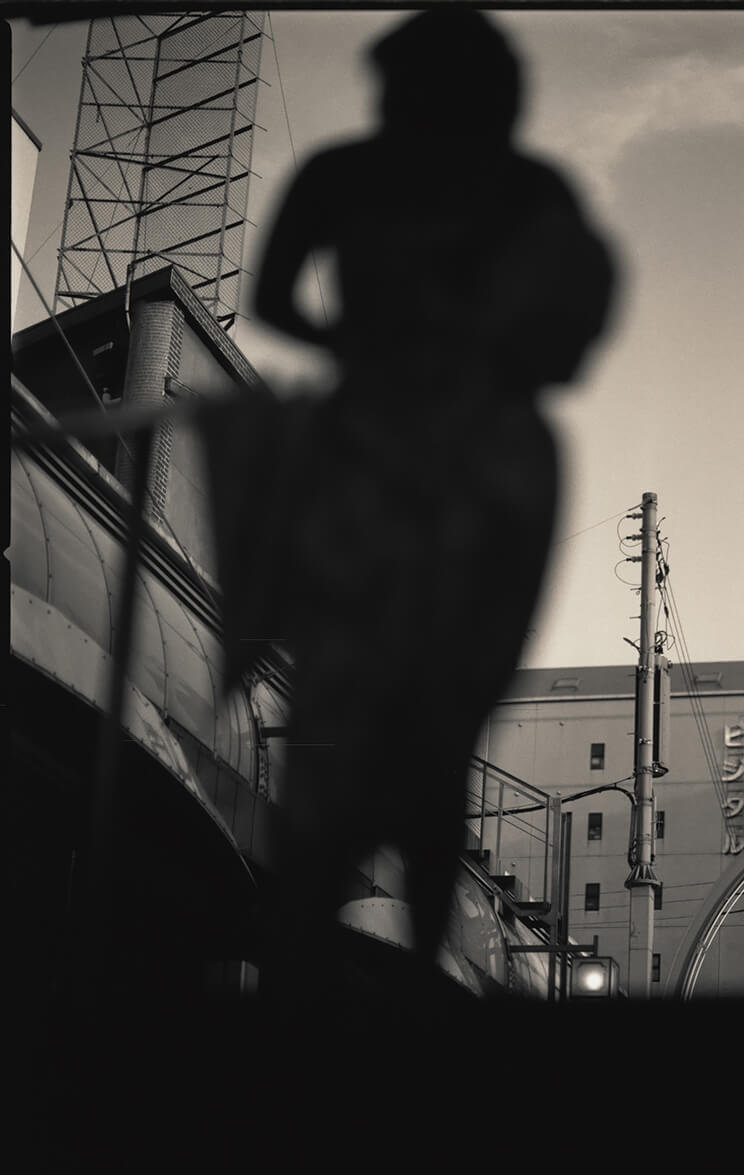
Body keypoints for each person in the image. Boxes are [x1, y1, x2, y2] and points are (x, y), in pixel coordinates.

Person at [211, 8, 616, 1000]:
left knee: (406, 740)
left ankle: (321, 982)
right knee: (397, 742)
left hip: (438, 475)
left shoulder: (397, 182)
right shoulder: (503, 186)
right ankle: (335, 979)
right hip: (404, 471)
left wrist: (375, 346)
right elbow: (574, 331)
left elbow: (574, 323)